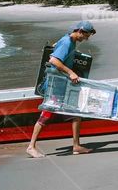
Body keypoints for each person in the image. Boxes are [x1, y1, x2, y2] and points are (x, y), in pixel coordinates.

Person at [26, 20, 96, 158]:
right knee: (46, 115)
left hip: (63, 85)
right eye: (86, 35)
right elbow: (53, 60)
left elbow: (54, 47)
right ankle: (31, 146)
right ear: (80, 31)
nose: (87, 38)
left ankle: (76, 146)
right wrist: (71, 72)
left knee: (76, 113)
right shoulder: (67, 42)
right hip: (55, 86)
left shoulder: (67, 40)